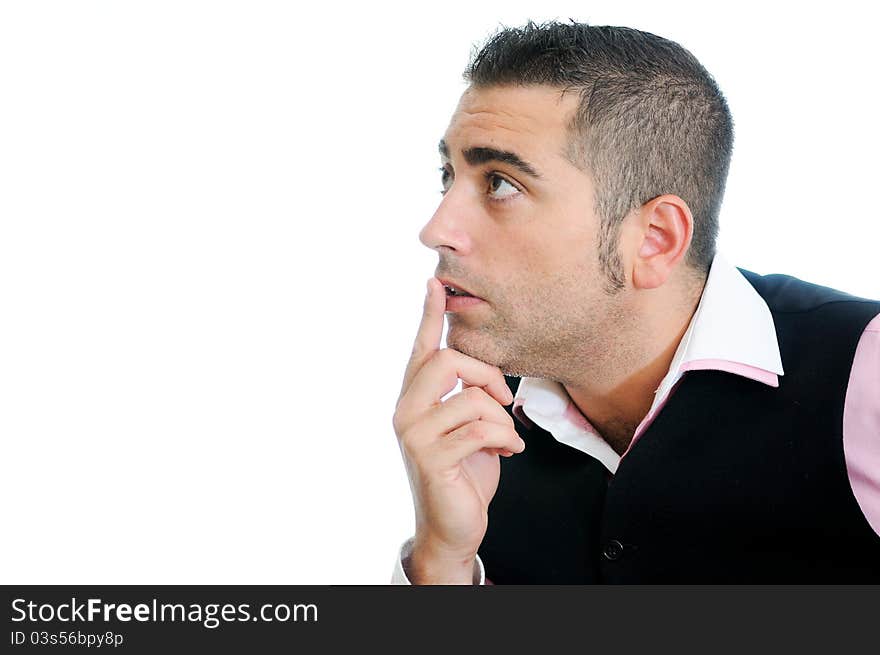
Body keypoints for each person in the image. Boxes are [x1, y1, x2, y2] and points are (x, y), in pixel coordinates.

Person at [390, 20, 880, 584]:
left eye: (501, 183)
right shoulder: (482, 440)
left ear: (655, 240)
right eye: (447, 176)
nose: (437, 229)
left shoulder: (861, 370)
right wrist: (443, 561)